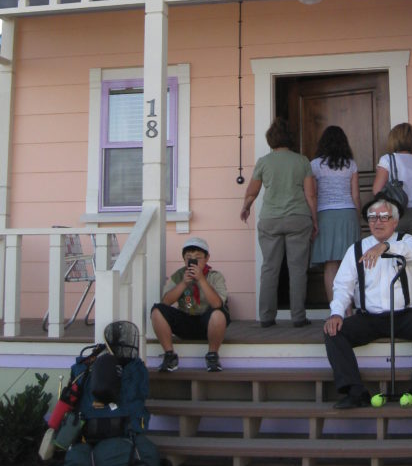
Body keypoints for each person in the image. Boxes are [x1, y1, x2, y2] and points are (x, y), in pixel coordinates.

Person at [323, 191, 412, 408]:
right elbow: (342, 286)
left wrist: (384, 246)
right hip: (369, 318)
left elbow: (411, 251)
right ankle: (355, 391)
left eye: (384, 217)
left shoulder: (407, 241)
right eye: (372, 217)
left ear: (395, 221)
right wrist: (337, 313)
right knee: (333, 332)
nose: (378, 222)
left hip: (404, 316)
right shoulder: (356, 249)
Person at [240, 117, 317, 328]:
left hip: (270, 220)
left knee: (269, 269)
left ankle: (266, 317)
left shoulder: (264, 162)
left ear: (270, 139)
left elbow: (252, 191)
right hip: (298, 219)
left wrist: (245, 207)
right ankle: (298, 317)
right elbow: (310, 195)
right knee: (298, 269)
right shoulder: (302, 161)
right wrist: (315, 220)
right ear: (289, 139)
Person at [373, 122, 412, 310]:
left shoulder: (387, 160)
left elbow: (377, 190)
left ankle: (396, 308)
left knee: (392, 260)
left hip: (397, 216)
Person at [150, 236, 230, 373]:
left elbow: (217, 303)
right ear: (184, 259)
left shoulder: (215, 276)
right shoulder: (178, 276)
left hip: (208, 323)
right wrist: (184, 283)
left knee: (218, 313)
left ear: (207, 258)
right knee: (157, 310)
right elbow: (166, 301)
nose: (193, 261)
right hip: (186, 320)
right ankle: (170, 356)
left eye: (198, 258)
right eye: (189, 258)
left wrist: (201, 280)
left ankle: (212, 356)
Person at [309, 125, 361, 303]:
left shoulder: (314, 165)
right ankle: (348, 308)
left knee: (330, 265)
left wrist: (313, 219)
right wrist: (359, 217)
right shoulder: (351, 164)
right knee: (349, 264)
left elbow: (312, 195)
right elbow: (355, 195)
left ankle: (336, 310)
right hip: (348, 215)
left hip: (325, 216)